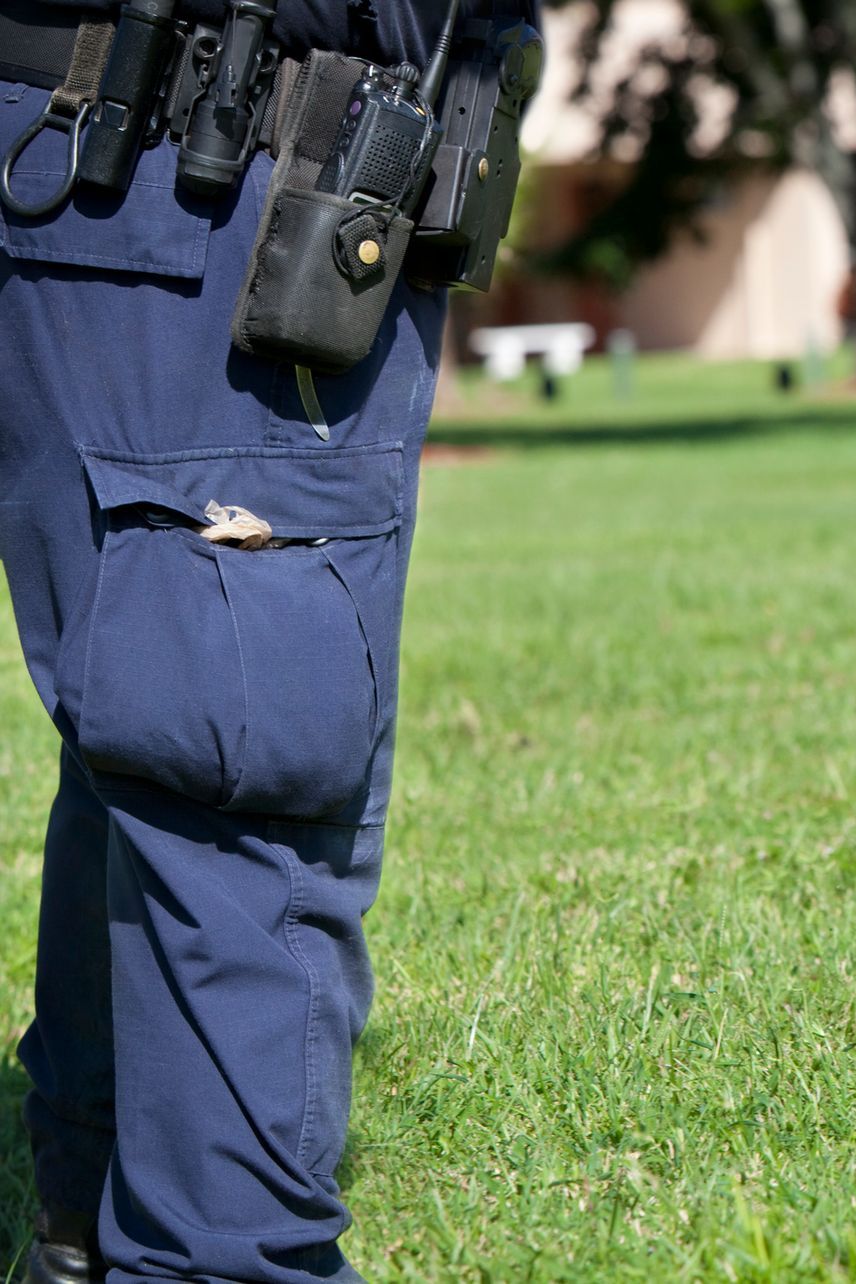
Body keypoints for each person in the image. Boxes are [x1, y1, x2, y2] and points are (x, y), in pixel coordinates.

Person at [0, 2, 532, 1278]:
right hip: (223, 168)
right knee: (239, 733)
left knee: (157, 690)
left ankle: (87, 1206)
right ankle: (210, 1254)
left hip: (105, 150)